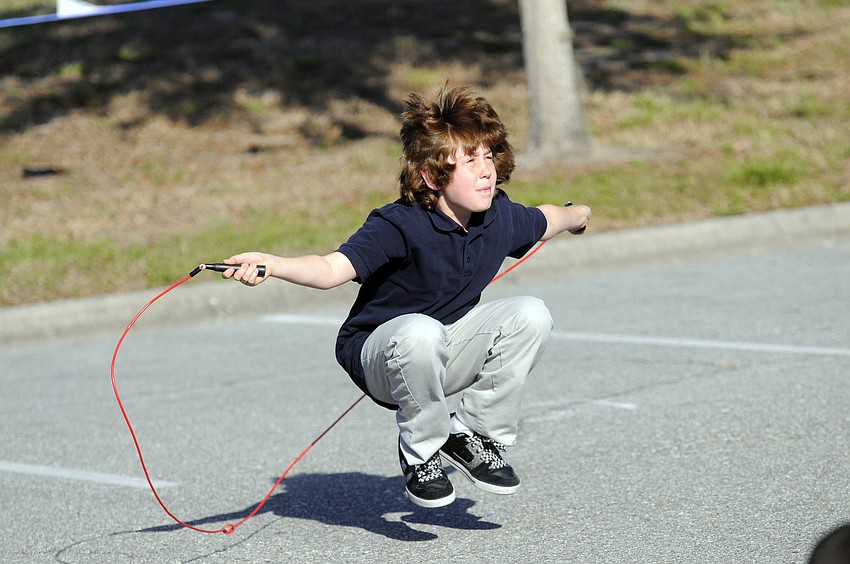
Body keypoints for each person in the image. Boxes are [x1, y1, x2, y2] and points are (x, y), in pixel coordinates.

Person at [222, 85, 591, 508]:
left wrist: (580, 215)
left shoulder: (499, 216)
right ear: (433, 175)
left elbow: (550, 217)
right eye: (469, 161)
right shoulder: (397, 224)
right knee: (420, 331)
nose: (486, 169)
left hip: (441, 351)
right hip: (379, 356)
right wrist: (272, 264)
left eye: (489, 155)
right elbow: (330, 270)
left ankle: (472, 434)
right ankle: (421, 456)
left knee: (531, 313)